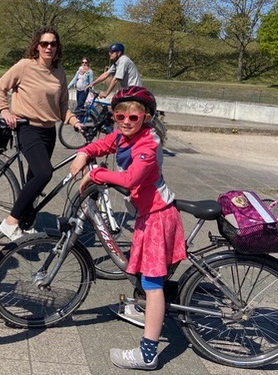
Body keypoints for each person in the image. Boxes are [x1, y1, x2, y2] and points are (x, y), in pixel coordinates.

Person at [69, 86, 186, 370]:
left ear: (146, 117)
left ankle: (148, 353)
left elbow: (132, 179)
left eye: (133, 117)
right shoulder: (125, 136)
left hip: (158, 217)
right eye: (118, 115)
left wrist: (96, 173)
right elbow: (104, 144)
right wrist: (84, 153)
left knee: (153, 283)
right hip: (147, 215)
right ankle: (141, 306)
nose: (124, 121)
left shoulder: (148, 144)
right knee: (143, 271)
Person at [0, 27, 83, 241]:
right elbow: (0, 87)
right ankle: (11, 221)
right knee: (45, 173)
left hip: (48, 132)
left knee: (34, 179)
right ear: (37, 45)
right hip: (27, 128)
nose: (49, 47)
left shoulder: (59, 71)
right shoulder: (25, 66)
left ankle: (26, 224)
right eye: (44, 43)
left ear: (57, 47)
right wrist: (5, 110)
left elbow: (62, 105)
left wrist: (74, 121)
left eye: (53, 43)